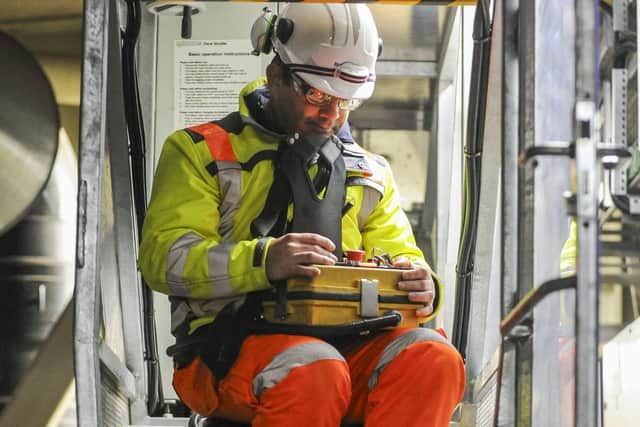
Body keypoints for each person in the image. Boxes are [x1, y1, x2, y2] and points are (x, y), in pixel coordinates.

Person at [140, 4, 465, 426]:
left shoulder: (372, 172)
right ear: (277, 77)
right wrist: (264, 261)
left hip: (354, 343)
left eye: (346, 101)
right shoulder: (201, 151)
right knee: (314, 369)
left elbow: (404, 256)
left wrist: (423, 284)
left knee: (433, 358)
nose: (332, 115)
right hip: (231, 346)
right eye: (316, 96)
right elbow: (163, 258)